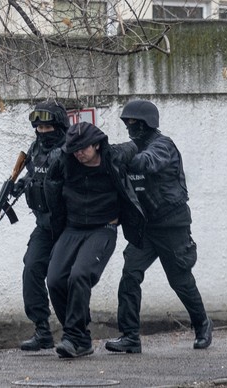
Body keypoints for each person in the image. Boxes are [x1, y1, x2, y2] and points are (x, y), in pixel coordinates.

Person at [105, 99, 213, 354]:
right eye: (127, 123)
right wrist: (102, 153)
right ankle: (130, 336)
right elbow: (117, 154)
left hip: (172, 226)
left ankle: (202, 324)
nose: (130, 127)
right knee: (130, 275)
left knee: (180, 280)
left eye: (135, 123)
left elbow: (146, 162)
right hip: (146, 227)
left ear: (147, 123)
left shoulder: (163, 146)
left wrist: (122, 157)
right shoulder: (134, 146)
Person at [44, 121, 145, 358]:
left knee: (80, 275)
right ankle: (80, 337)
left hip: (103, 228)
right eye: (75, 149)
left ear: (97, 145)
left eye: (84, 148)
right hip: (72, 228)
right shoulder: (65, 160)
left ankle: (72, 337)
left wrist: (146, 145)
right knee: (55, 279)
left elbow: (135, 146)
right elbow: (50, 181)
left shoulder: (113, 157)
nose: (79, 153)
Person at [12, 100, 69, 351]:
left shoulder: (70, 148)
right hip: (44, 226)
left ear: (59, 125)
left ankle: (74, 332)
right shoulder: (35, 148)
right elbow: (34, 173)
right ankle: (42, 330)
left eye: (48, 127)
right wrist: (22, 183)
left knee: (62, 279)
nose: (43, 132)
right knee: (32, 268)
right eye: (39, 127)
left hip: (69, 226)